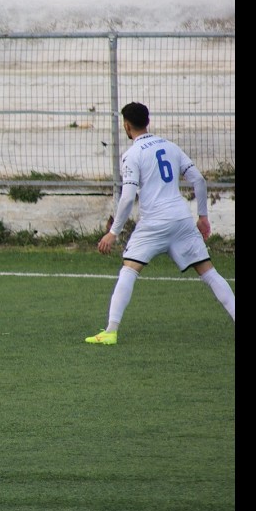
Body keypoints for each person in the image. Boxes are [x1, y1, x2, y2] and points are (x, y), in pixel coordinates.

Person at [85, 102, 235, 345]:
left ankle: (111, 331)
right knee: (209, 273)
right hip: (181, 219)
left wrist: (113, 232)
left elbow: (127, 196)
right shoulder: (170, 146)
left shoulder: (132, 154)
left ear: (126, 125)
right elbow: (199, 180)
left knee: (129, 269)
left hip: (154, 223)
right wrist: (203, 216)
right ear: (148, 121)